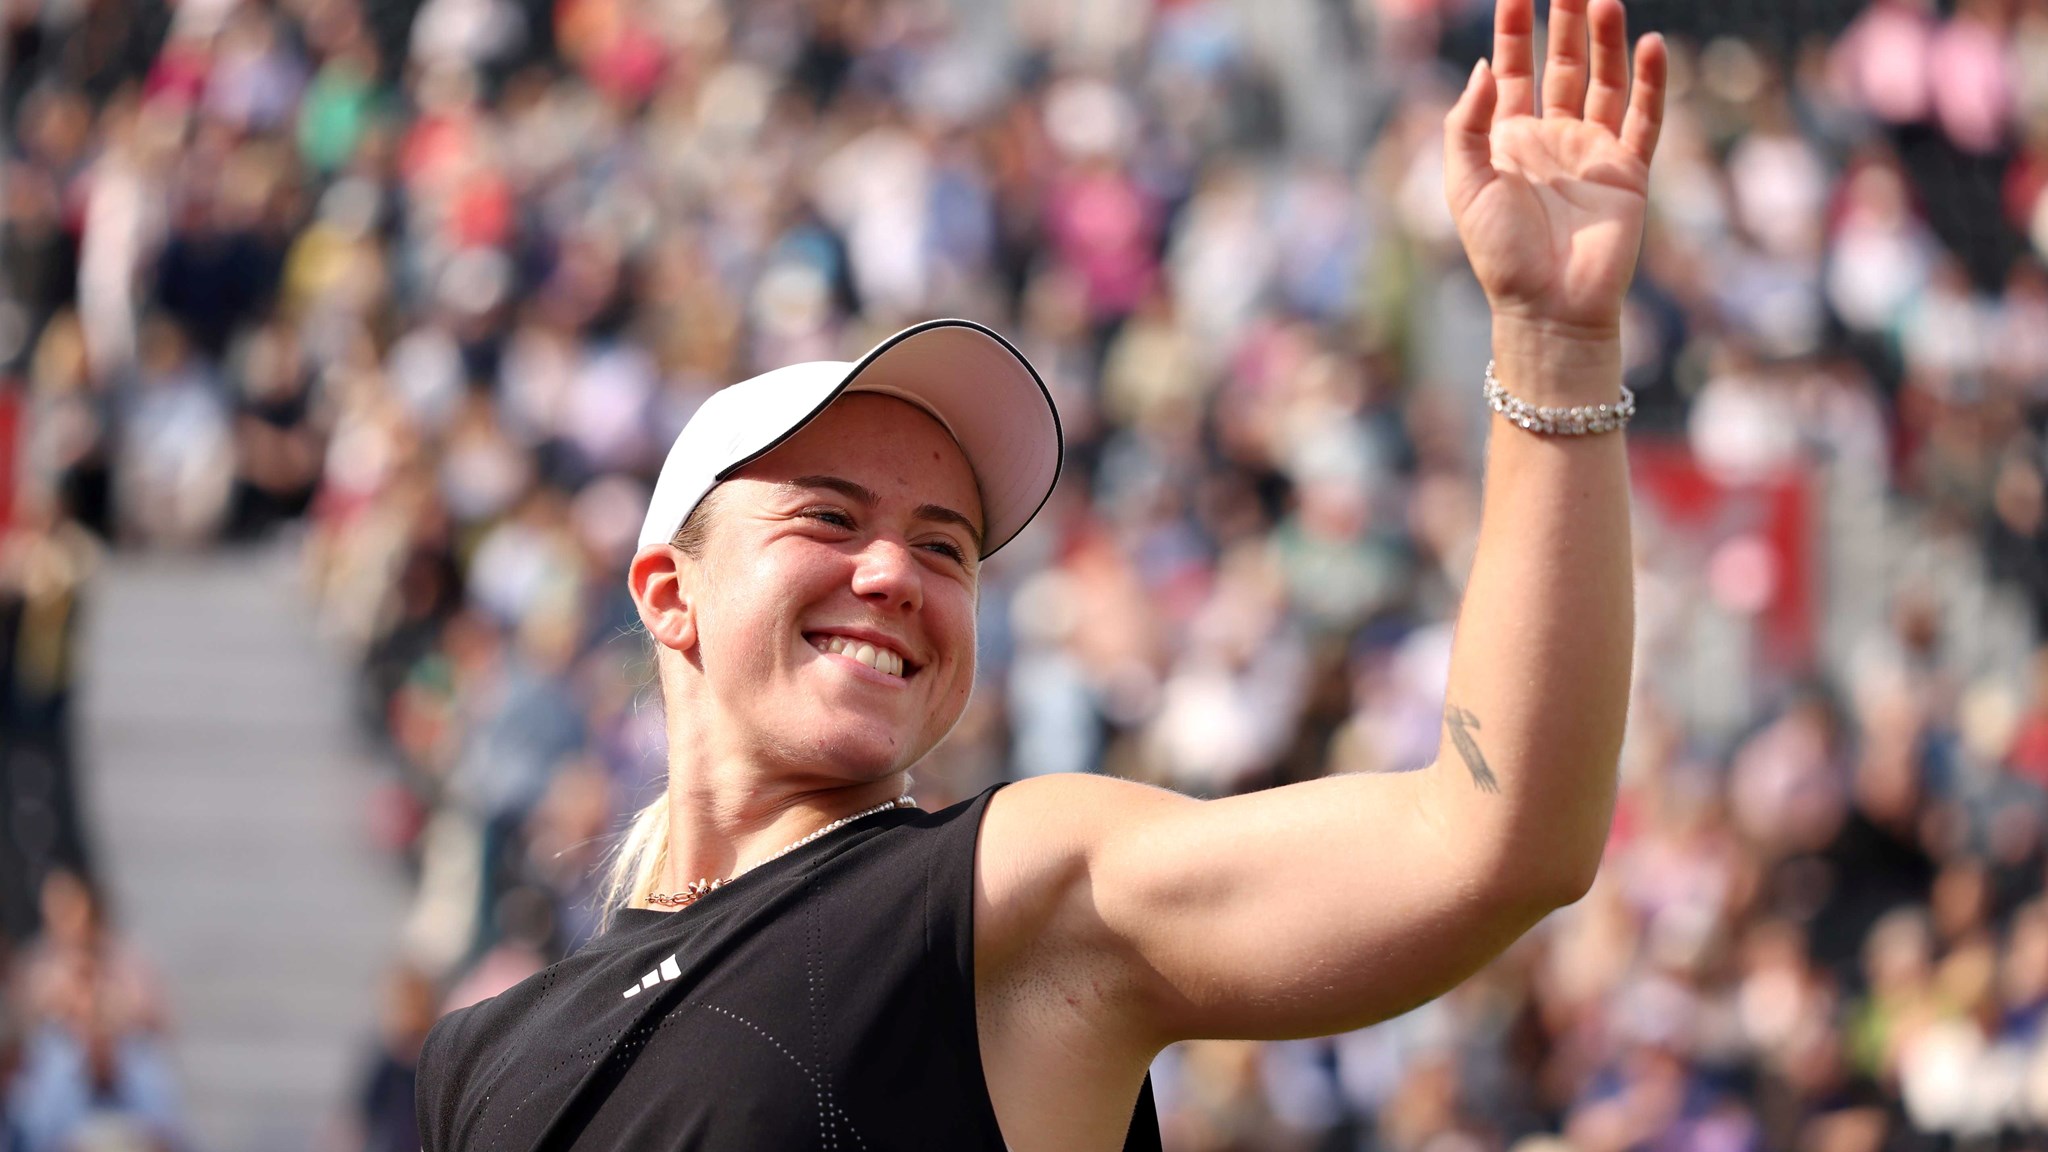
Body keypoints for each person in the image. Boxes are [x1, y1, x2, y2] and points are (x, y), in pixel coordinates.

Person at [412, 0, 1668, 1146]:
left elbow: (1490, 842)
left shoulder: (1000, 898)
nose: (895, 569)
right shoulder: (483, 1055)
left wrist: (1555, 346)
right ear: (668, 594)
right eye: (829, 517)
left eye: (947, 544)